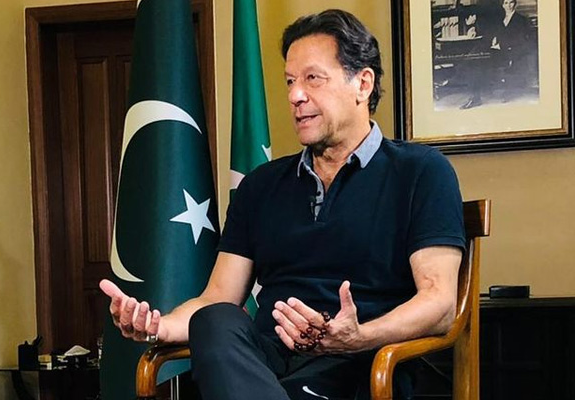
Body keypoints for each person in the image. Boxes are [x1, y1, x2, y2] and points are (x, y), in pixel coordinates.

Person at [101, 9, 465, 400]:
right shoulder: (261, 186)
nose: (295, 95)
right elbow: (216, 297)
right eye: (291, 81)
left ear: (362, 84)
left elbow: (439, 303)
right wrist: (160, 326)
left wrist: (360, 336)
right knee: (214, 319)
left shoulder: (421, 172)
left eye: (313, 78)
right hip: (265, 364)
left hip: (362, 363)